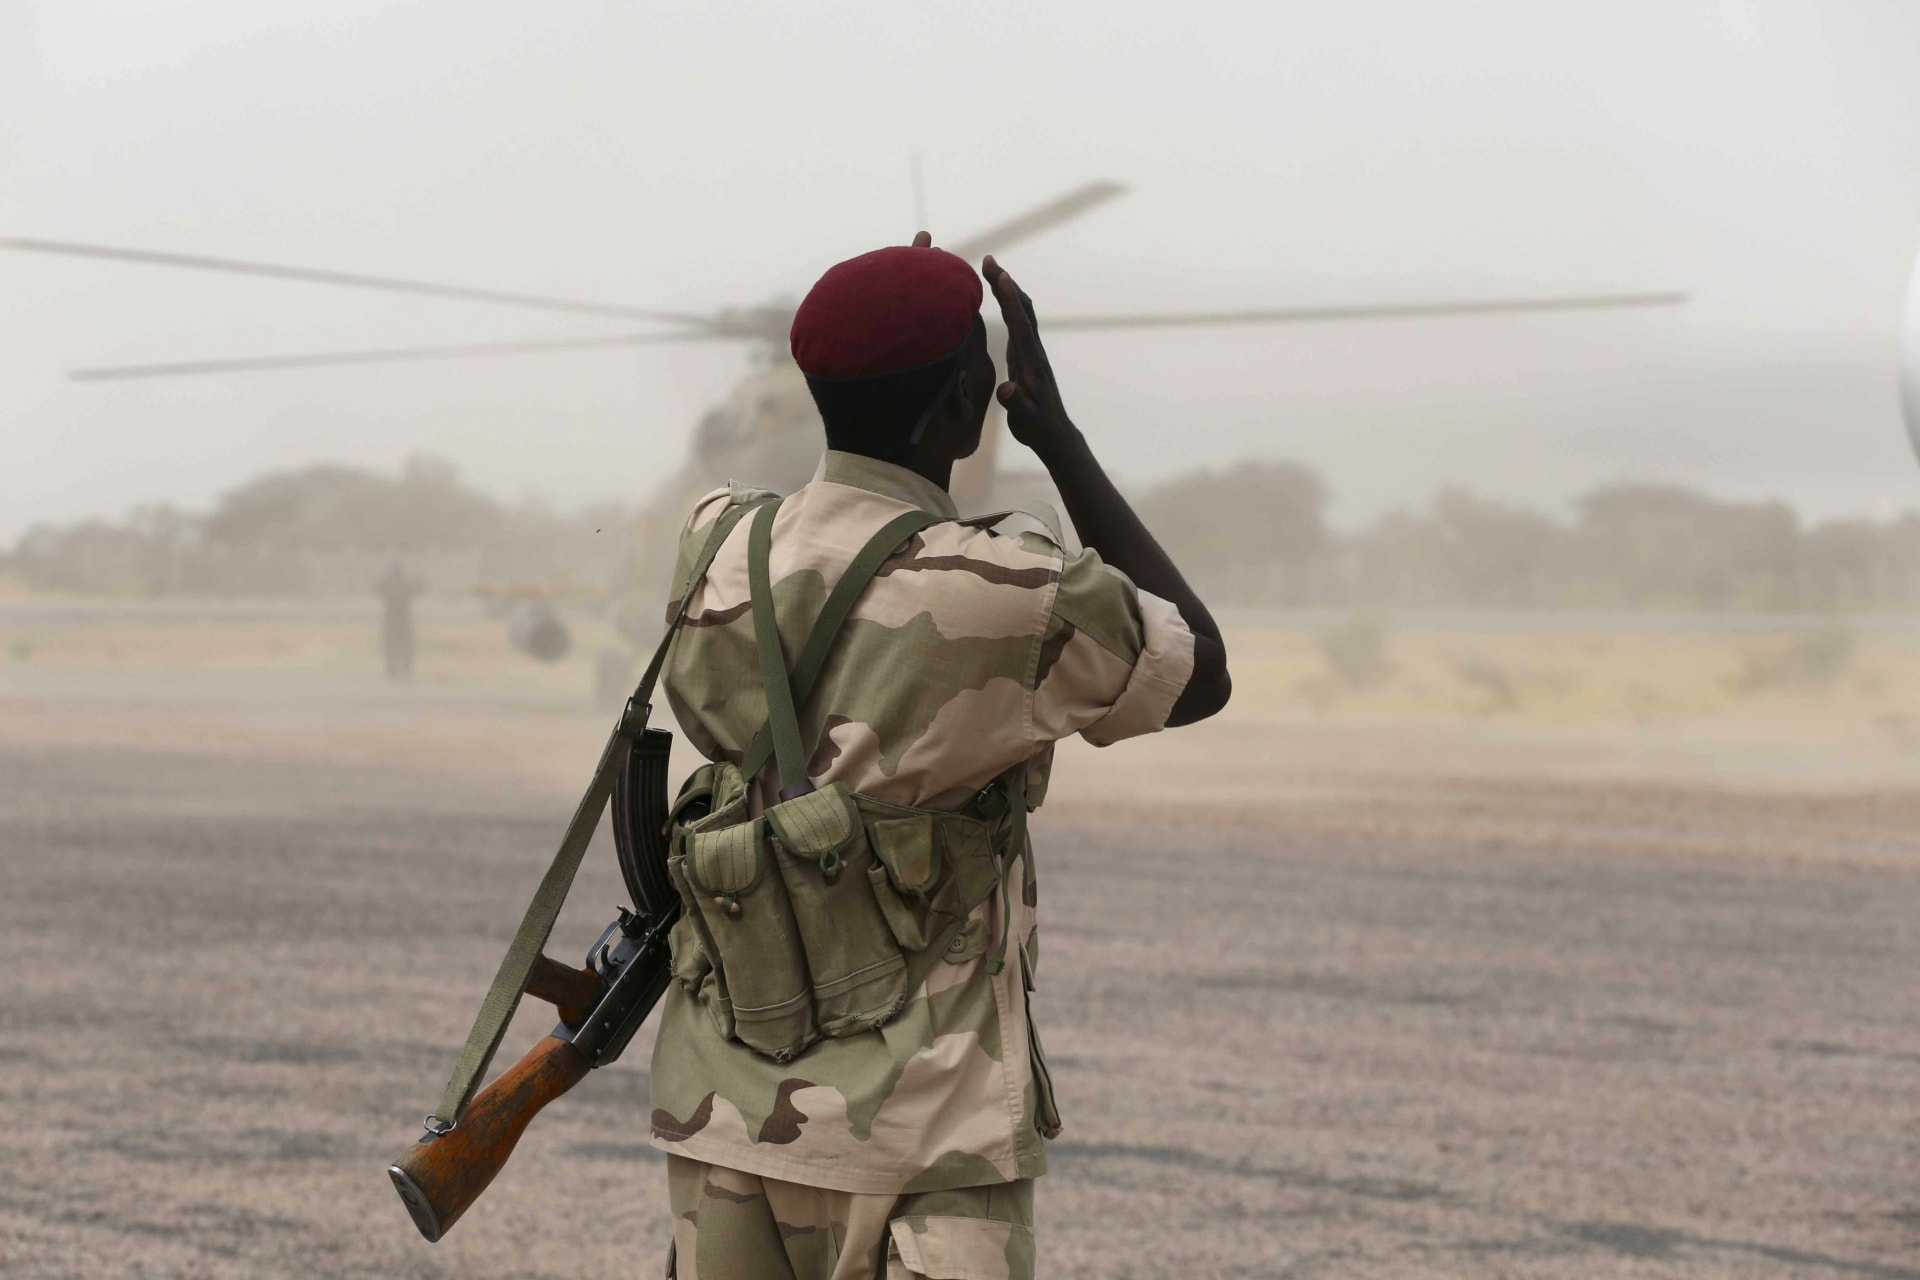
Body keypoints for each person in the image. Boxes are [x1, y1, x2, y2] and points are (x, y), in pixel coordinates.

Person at [650, 234, 1231, 1280]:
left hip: (727, 1120)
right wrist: (1059, 437)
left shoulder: (717, 540)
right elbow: (1200, 669)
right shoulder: (1006, 589)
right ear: (973, 397)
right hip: (918, 1139)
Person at [376, 561, 424, 681]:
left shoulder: (390, 584)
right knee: (402, 645)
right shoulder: (404, 584)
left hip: (394, 618)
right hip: (401, 619)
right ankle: (402, 670)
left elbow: (377, 588)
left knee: (395, 645)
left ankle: (395, 670)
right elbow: (418, 588)